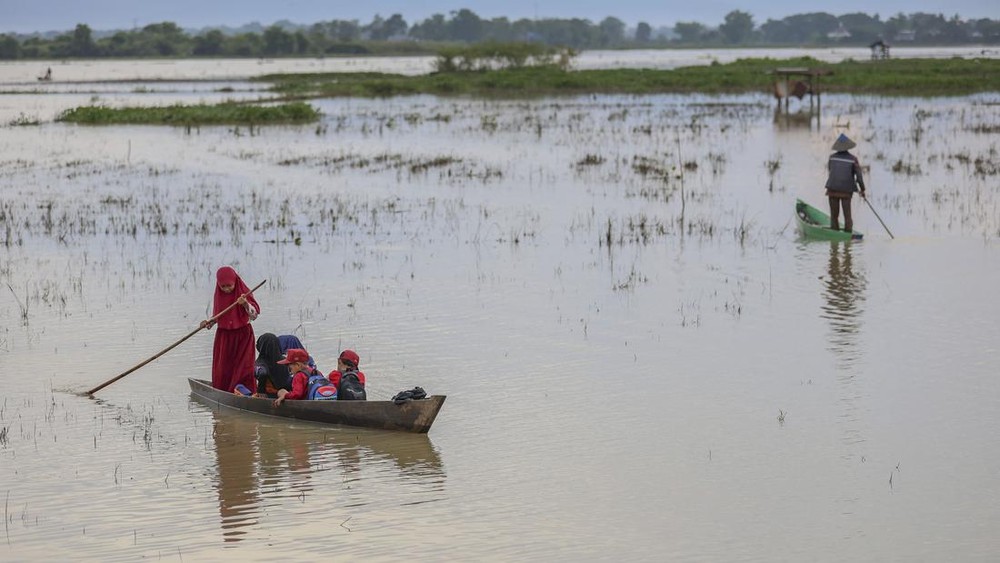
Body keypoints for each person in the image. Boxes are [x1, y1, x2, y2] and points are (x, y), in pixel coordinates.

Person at [201, 266, 260, 393]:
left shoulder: (243, 293)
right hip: (224, 337)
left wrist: (245, 303)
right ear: (218, 285)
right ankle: (225, 392)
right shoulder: (219, 296)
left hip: (243, 335)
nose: (227, 289)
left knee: (244, 367)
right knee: (224, 368)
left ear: (235, 282)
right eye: (223, 287)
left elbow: (254, 315)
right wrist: (208, 323)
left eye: (229, 285)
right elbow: (219, 317)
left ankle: (246, 393)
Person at [825, 133, 866, 232]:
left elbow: (830, 171)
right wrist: (862, 190)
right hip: (846, 192)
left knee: (834, 216)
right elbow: (859, 177)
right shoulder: (853, 159)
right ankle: (848, 242)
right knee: (847, 216)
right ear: (848, 147)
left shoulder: (832, 157)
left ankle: (834, 240)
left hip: (832, 189)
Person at [254, 333, 291, 398]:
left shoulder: (261, 362)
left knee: (239, 387)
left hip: (269, 395)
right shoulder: (285, 361)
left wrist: (261, 391)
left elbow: (262, 373)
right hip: (286, 393)